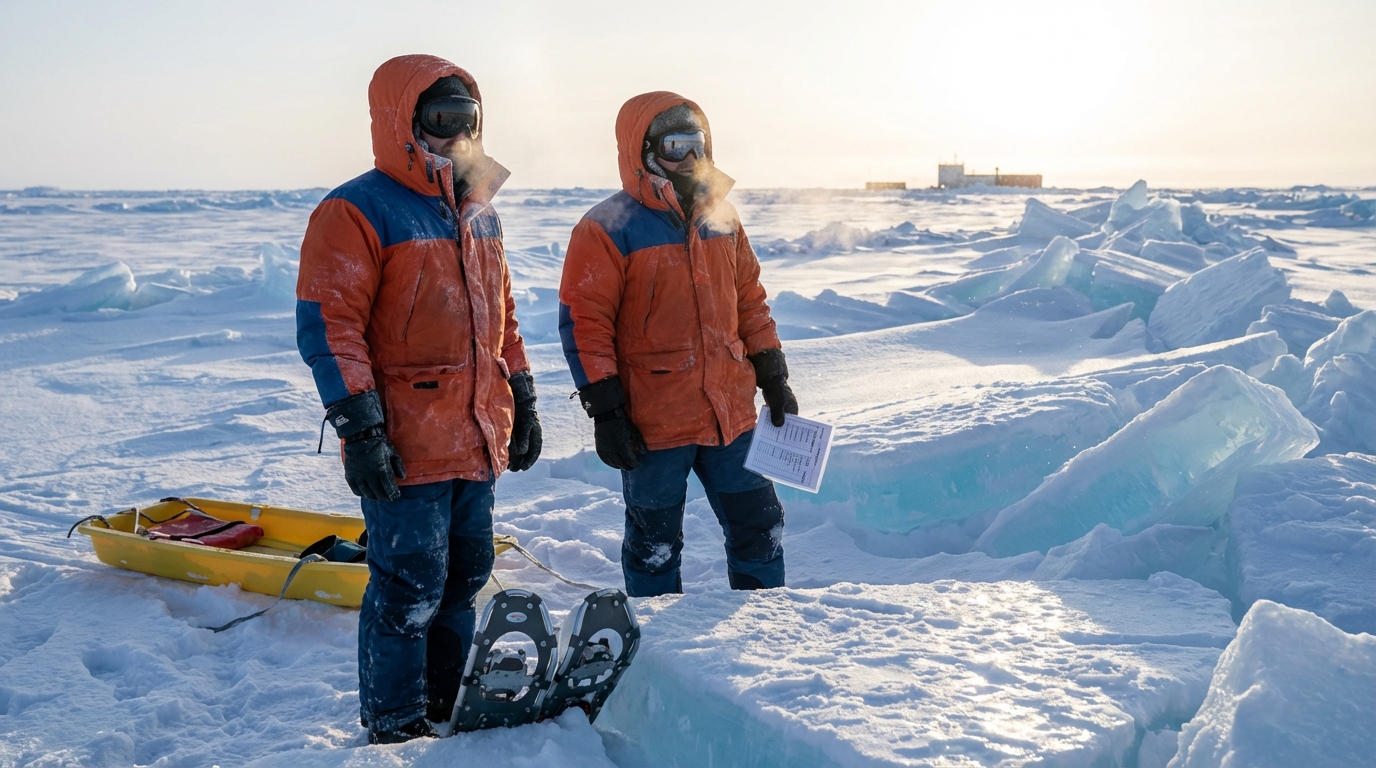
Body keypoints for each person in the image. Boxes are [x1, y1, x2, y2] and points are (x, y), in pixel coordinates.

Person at [295, 54, 540, 744]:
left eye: (467, 120)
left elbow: (502, 315)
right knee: (408, 589)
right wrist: (360, 427)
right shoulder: (356, 209)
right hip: (405, 440)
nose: (455, 134)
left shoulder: (479, 208)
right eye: (440, 119)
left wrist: (520, 394)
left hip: (475, 431)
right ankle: (395, 724)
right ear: (402, 123)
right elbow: (329, 325)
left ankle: (443, 704)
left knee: (465, 575)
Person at [558, 91, 799, 597]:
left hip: (730, 412)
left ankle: (766, 627)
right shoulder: (606, 228)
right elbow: (585, 324)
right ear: (644, 150)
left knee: (761, 527)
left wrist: (774, 378)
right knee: (655, 545)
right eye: (674, 144)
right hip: (653, 422)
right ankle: (658, 645)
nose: (689, 158)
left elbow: (750, 301)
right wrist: (606, 412)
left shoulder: (724, 216)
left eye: (697, 144)